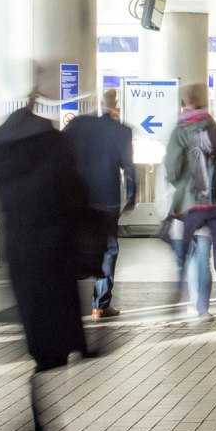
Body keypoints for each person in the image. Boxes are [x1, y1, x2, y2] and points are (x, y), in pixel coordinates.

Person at [0, 82, 102, 431]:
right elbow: (75, 200)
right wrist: (92, 254)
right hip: (55, 257)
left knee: (46, 357)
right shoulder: (54, 146)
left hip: (22, 261)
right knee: (51, 363)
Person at [164, 83, 216, 333]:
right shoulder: (213, 126)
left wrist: (184, 185)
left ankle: (191, 304)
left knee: (190, 257)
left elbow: (173, 171)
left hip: (191, 206)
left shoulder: (180, 131)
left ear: (184, 103)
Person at [67, 88, 136, 320]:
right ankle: (100, 304)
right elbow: (128, 167)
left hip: (78, 197)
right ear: (115, 105)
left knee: (73, 243)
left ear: (97, 103)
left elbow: (60, 152)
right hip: (107, 199)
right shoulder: (122, 131)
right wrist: (132, 197)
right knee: (108, 249)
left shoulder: (77, 126)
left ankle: (69, 302)